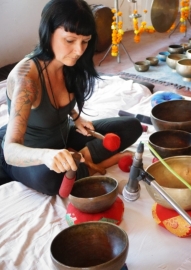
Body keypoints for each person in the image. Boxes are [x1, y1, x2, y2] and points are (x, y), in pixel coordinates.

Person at [0, 0, 143, 195]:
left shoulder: (69, 63)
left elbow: (60, 101)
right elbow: (10, 151)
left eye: (85, 41)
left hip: (63, 137)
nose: (79, 50)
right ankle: (96, 162)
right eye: (70, 40)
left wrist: (76, 117)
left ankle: (80, 158)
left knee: (131, 126)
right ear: (48, 32)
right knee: (51, 180)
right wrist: (46, 155)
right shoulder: (26, 80)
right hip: (31, 154)